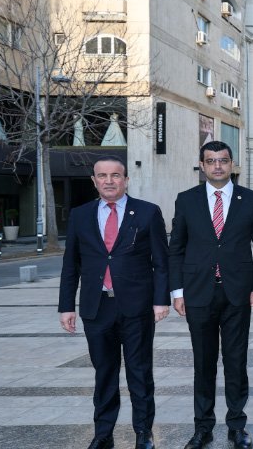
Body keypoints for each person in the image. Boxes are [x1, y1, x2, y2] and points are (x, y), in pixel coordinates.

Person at [58, 155, 170, 449]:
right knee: (104, 372)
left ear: (126, 179)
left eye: (115, 175)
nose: (109, 181)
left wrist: (161, 300)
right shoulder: (81, 215)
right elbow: (71, 264)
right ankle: (103, 433)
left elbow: (161, 260)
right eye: (102, 176)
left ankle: (144, 433)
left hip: (137, 307)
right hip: (97, 308)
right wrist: (66, 306)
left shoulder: (146, 213)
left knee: (139, 371)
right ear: (94, 181)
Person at [168, 141, 253, 449]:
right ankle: (203, 427)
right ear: (202, 165)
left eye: (223, 160)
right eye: (211, 161)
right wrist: (177, 291)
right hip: (198, 294)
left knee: (236, 362)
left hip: (237, 293)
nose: (218, 166)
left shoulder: (249, 200)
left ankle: (237, 426)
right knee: (204, 363)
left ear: (231, 164)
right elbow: (176, 249)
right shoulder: (186, 200)